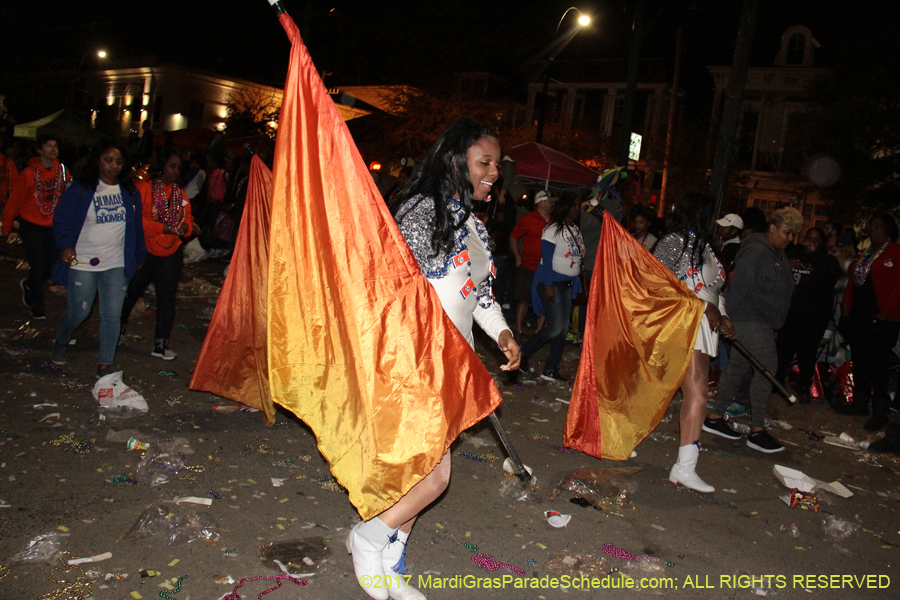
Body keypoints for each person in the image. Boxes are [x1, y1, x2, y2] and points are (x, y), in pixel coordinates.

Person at [347, 116, 519, 600]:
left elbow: (479, 296)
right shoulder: (423, 210)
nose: (493, 173)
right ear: (454, 159)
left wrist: (503, 333)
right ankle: (367, 538)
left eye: (497, 165)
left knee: (420, 472)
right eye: (484, 161)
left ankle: (391, 560)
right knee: (435, 476)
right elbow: (394, 285)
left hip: (453, 366)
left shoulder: (475, 227)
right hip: (415, 359)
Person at [704, 207, 802, 453]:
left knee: (738, 367)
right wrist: (727, 320)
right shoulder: (757, 251)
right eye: (787, 233)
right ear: (772, 228)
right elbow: (738, 289)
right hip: (749, 318)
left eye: (793, 235)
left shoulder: (775, 252)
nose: (790, 239)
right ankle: (757, 431)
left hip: (761, 319)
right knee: (766, 368)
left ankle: (715, 418)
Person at [654, 190, 732, 492]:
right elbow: (658, 283)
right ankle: (684, 468)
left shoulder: (705, 247)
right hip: (684, 323)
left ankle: (684, 466)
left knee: (680, 388)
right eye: (710, 214)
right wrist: (702, 307)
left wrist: (723, 315)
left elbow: (713, 290)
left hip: (702, 323)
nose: (713, 220)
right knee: (697, 390)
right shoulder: (675, 242)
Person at [50, 140, 146, 377]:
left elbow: (136, 228)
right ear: (97, 160)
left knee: (112, 314)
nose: (114, 166)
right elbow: (62, 221)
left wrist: (139, 255)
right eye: (108, 159)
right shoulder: (81, 190)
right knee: (78, 312)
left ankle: (104, 364)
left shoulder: (130, 193)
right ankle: (62, 339)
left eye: (119, 161)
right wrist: (65, 246)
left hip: (116, 263)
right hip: (82, 262)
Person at [119, 148, 194, 360]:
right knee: (133, 291)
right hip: (146, 251)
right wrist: (163, 228)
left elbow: (188, 222)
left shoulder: (180, 194)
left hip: (171, 251)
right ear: (161, 167)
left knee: (167, 298)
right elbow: (135, 223)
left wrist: (183, 229)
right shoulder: (144, 188)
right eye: (172, 166)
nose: (176, 171)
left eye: (179, 167)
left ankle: (160, 344)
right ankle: (118, 331)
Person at [835, 213, 900, 431]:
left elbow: (897, 288)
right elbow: (853, 283)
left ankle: (880, 412)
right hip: (860, 317)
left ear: (889, 229)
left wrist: (886, 312)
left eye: (879, 227)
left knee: (878, 365)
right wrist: (846, 305)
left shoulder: (895, 253)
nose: (874, 230)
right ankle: (860, 403)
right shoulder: (865, 254)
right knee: (861, 360)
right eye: (871, 227)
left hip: (881, 318)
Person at [1, 135, 71, 318]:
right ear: (39, 150)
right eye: (48, 145)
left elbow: (70, 196)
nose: (53, 149)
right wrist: (7, 224)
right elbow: (15, 200)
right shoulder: (29, 173)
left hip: (53, 225)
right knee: (38, 264)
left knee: (50, 266)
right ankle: (37, 304)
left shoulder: (62, 172)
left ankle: (30, 285)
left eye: (55, 146)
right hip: (31, 225)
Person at [518, 196, 583, 381]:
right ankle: (523, 351)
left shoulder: (575, 230)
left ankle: (550, 369)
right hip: (551, 282)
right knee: (555, 328)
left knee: (562, 330)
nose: (576, 209)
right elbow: (546, 258)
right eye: (572, 205)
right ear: (564, 207)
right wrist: (548, 286)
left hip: (567, 284)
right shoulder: (553, 229)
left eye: (577, 206)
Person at [775, 227, 841, 403]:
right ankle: (778, 382)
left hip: (813, 317)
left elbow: (831, 279)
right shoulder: (793, 254)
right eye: (807, 238)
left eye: (814, 239)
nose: (809, 242)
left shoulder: (827, 261)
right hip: (791, 314)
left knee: (807, 353)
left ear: (820, 243)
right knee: (783, 350)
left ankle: (804, 385)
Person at [509, 190, 554, 338]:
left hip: (546, 267)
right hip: (528, 265)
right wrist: (518, 258)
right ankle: (519, 329)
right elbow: (514, 237)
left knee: (544, 299)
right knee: (523, 298)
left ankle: (539, 331)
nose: (552, 203)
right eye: (549, 201)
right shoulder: (527, 219)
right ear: (541, 202)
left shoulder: (554, 221)